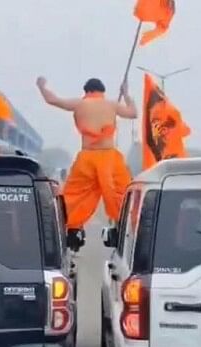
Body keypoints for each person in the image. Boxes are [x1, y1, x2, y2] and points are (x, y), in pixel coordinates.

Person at [36, 77, 137, 251]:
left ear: (86, 91)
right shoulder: (112, 105)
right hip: (110, 159)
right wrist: (126, 94)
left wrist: (42, 86)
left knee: (74, 197)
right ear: (102, 92)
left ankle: (71, 231)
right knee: (121, 195)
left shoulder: (80, 104)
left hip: (87, 158)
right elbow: (133, 113)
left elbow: (52, 100)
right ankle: (124, 226)